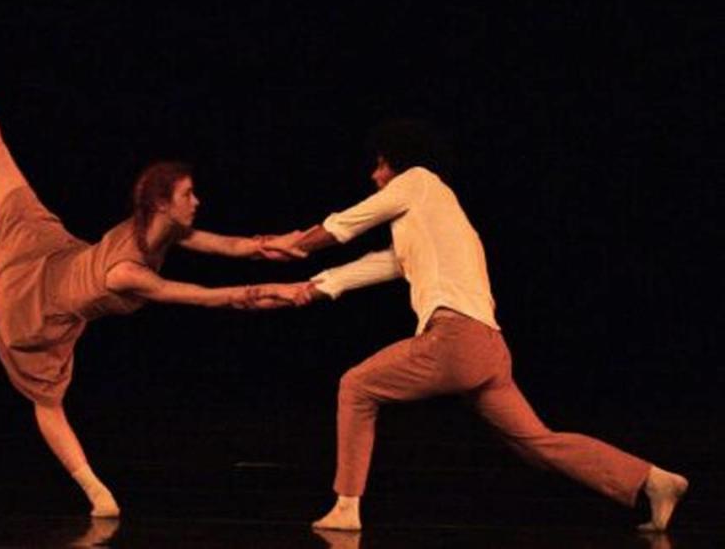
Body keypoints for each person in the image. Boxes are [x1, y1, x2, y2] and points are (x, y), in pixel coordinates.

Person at [0, 6, 306, 518]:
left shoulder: (162, 228)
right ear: (164, 204)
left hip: (52, 249)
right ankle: (96, 493)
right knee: (48, 401)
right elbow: (202, 297)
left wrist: (293, 241)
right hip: (30, 301)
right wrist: (266, 295)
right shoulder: (127, 272)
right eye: (190, 194)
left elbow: (234, 246)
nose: (198, 202)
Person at [263, 118, 688, 533]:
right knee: (538, 442)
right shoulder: (432, 219)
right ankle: (653, 480)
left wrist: (293, 244)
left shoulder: (419, 181)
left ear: (401, 161)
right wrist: (309, 288)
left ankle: (346, 507)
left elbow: (348, 223)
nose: (375, 176)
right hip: (488, 349)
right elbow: (381, 265)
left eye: (379, 165)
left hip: (456, 340)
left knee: (356, 386)